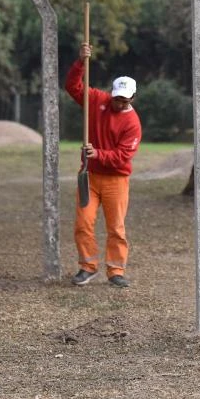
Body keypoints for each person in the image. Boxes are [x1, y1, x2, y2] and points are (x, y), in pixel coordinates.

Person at [65, 42, 142, 288]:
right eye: (116, 97)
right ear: (112, 93)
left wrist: (98, 153)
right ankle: (87, 267)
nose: (118, 103)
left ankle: (116, 270)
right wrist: (80, 62)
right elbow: (72, 87)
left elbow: (122, 157)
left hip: (115, 181)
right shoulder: (97, 100)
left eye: (123, 100)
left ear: (132, 98)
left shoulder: (132, 124)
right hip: (88, 176)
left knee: (116, 227)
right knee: (83, 223)